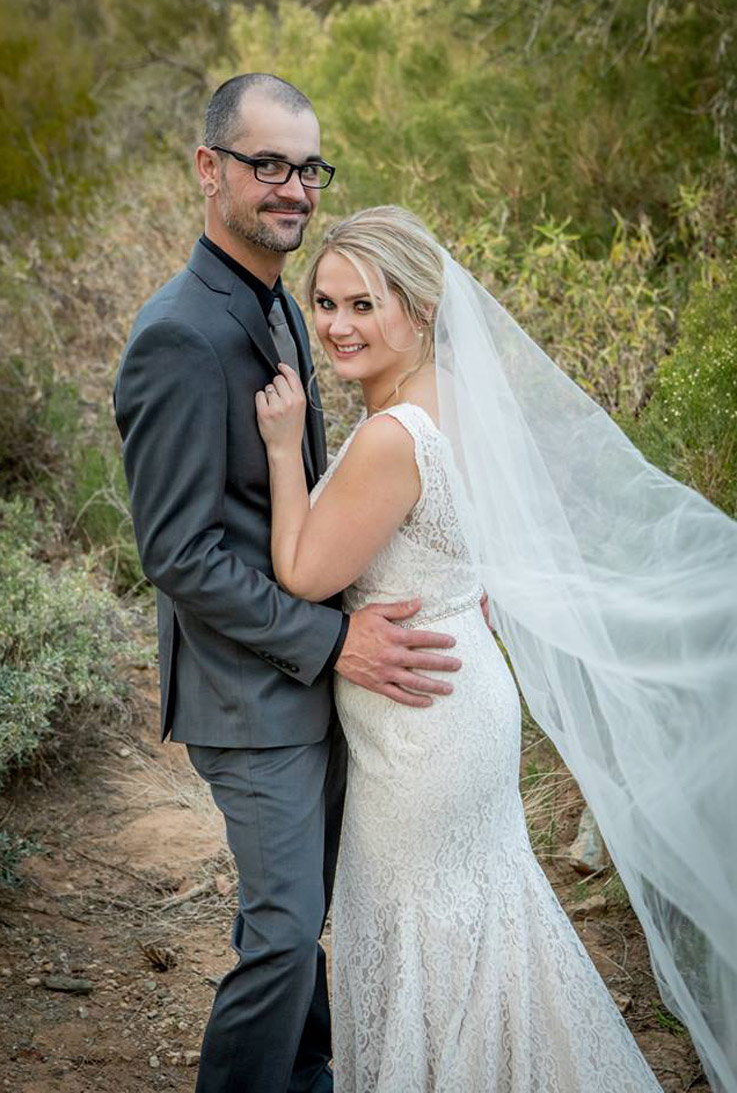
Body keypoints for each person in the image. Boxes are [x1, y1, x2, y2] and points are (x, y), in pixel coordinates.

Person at [256, 205, 737, 1092]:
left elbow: (301, 575)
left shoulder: (390, 436)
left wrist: (286, 451)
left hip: (420, 724)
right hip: (459, 687)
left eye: (365, 304)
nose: (336, 325)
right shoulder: (459, 407)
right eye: (324, 302)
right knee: (481, 918)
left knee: (418, 926)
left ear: (420, 307)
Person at [113, 78, 463, 1093]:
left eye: (308, 168)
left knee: (305, 913)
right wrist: (332, 642)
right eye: (268, 164)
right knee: (277, 938)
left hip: (311, 680)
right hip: (249, 696)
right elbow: (178, 553)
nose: (293, 188)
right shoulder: (180, 335)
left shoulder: (273, 303)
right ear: (208, 169)